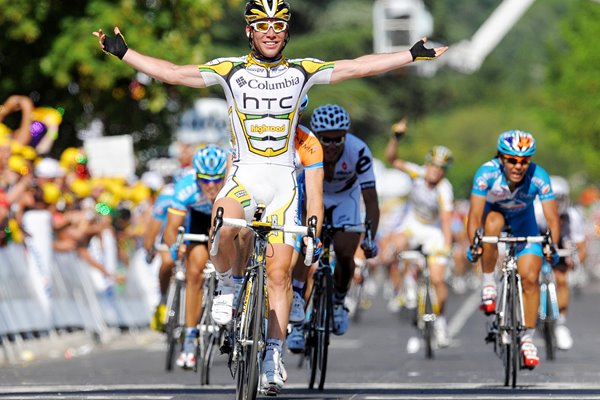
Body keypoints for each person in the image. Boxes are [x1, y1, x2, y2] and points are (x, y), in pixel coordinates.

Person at [93, 1, 446, 393]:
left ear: (287, 31)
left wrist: (410, 54)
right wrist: (125, 54)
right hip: (244, 175)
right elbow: (174, 74)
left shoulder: (301, 72)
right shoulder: (230, 71)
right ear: (249, 31)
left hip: (281, 184)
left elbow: (355, 66)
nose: (271, 32)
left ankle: (272, 354)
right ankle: (227, 284)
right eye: (262, 25)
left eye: (279, 25)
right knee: (223, 222)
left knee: (279, 274)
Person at [287, 103, 380, 353]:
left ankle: (338, 301)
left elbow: (371, 198)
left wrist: (370, 236)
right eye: (325, 140)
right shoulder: (303, 145)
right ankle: (296, 311)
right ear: (316, 136)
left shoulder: (358, 151)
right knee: (305, 247)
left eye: (337, 139)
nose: (331, 146)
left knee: (346, 250)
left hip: (344, 197)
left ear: (345, 135)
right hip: (310, 193)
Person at [466, 130, 560, 369]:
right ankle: (488, 283)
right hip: (494, 217)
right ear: (501, 158)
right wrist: (474, 244)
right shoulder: (486, 173)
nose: (518, 166)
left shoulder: (539, 177)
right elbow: (475, 215)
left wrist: (552, 245)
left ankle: (527, 338)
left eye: (524, 161)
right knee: (492, 223)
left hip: (523, 223)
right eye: (512, 160)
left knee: (530, 278)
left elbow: (552, 218)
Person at [384, 117, 454, 352]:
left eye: (441, 169)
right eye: (433, 166)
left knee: (437, 280)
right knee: (394, 246)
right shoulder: (417, 173)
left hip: (433, 231)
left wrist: (447, 245)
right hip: (412, 224)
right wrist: (396, 137)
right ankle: (406, 288)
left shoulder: (445, 189)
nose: (435, 172)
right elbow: (392, 159)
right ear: (428, 165)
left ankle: (441, 320)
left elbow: (446, 220)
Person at [162, 145, 227, 369]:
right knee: (194, 270)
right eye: (205, 179)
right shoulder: (186, 187)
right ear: (196, 175)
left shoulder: (232, 185)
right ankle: (190, 338)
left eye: (217, 179)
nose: (211, 185)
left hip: (224, 218)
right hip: (198, 220)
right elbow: (171, 229)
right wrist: (174, 247)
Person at [534, 175, 586, 350]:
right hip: (537, 240)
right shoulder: (536, 212)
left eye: (560, 199)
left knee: (562, 280)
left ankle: (561, 323)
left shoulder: (573, 216)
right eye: (553, 199)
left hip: (561, 242)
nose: (557, 203)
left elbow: (580, 244)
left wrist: (576, 260)